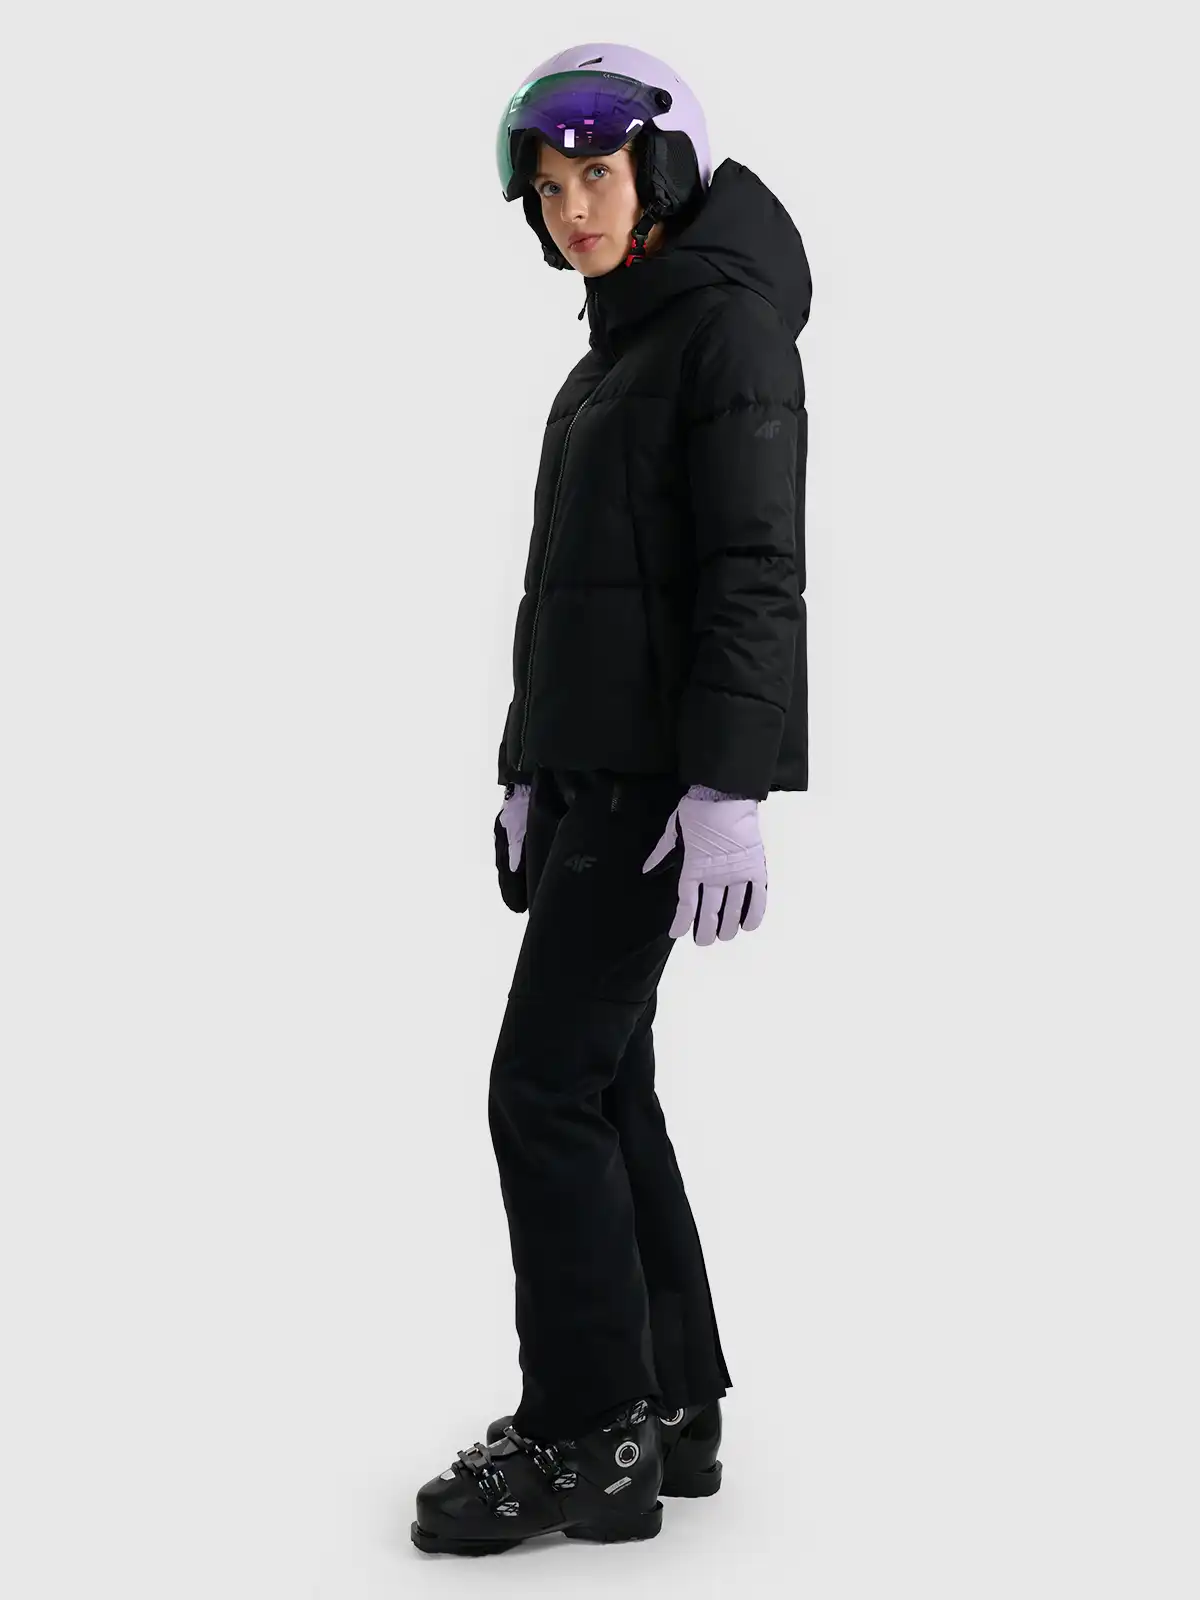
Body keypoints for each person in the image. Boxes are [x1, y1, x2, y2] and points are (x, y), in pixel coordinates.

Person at [411, 41, 811, 1556]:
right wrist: (528, 763)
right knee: (604, 1082)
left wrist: (727, 786)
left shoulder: (726, 337)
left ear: (667, 172)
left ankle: (587, 1432)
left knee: (540, 1090)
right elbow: (566, 596)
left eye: (597, 174)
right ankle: (671, 1398)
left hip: (656, 785)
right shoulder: (616, 350)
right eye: (549, 186)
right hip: (598, 772)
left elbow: (753, 575)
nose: (572, 207)